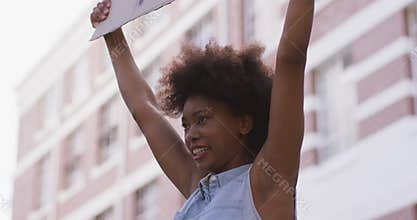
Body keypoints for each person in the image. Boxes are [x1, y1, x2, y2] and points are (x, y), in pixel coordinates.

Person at [90, 0, 314, 219]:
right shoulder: (197, 191)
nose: (190, 135)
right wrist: (111, 32)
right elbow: (144, 109)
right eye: (186, 126)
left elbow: (290, 60)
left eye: (202, 119)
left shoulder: (266, 183)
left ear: (243, 123)